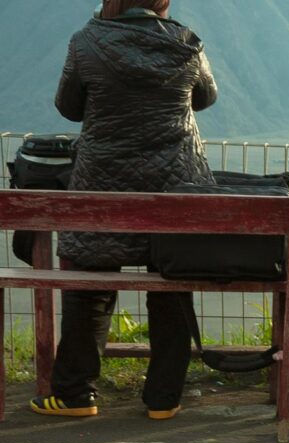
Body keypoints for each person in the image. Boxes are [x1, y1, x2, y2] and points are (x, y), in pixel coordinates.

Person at [31, 0, 217, 420]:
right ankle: (164, 399)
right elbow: (206, 97)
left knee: (89, 284)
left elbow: (69, 106)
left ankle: (75, 394)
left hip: (103, 185)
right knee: (171, 282)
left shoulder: (87, 40)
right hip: (175, 185)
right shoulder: (186, 42)